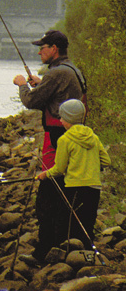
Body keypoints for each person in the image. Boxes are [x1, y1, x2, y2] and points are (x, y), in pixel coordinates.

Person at [13, 30, 87, 263]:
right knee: (64, 191)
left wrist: (23, 84)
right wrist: (41, 82)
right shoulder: (72, 69)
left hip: (56, 137)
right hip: (71, 134)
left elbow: (32, 101)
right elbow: (59, 93)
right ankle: (63, 243)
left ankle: (45, 249)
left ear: (54, 48)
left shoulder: (56, 73)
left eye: (42, 47)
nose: (39, 51)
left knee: (47, 193)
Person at [36, 99, 111, 252]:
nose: (61, 120)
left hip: (74, 188)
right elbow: (106, 161)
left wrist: (44, 175)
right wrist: (90, 164)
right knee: (87, 223)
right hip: (94, 187)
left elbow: (59, 169)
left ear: (68, 119)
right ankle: (87, 254)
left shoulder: (65, 139)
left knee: (66, 223)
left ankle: (66, 255)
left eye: (62, 117)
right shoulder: (93, 137)